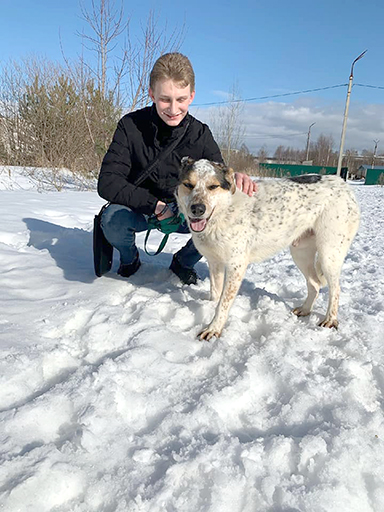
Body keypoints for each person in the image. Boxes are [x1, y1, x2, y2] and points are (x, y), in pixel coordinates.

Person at [97, 52, 256, 285]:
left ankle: (184, 261)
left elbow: (219, 179)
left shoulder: (201, 134)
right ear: (151, 94)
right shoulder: (130, 126)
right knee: (112, 218)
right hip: (141, 207)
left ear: (191, 96)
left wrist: (237, 178)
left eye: (181, 99)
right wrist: (155, 206)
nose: (173, 109)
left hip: (185, 209)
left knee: (219, 217)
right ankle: (130, 258)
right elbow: (108, 182)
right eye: (165, 99)